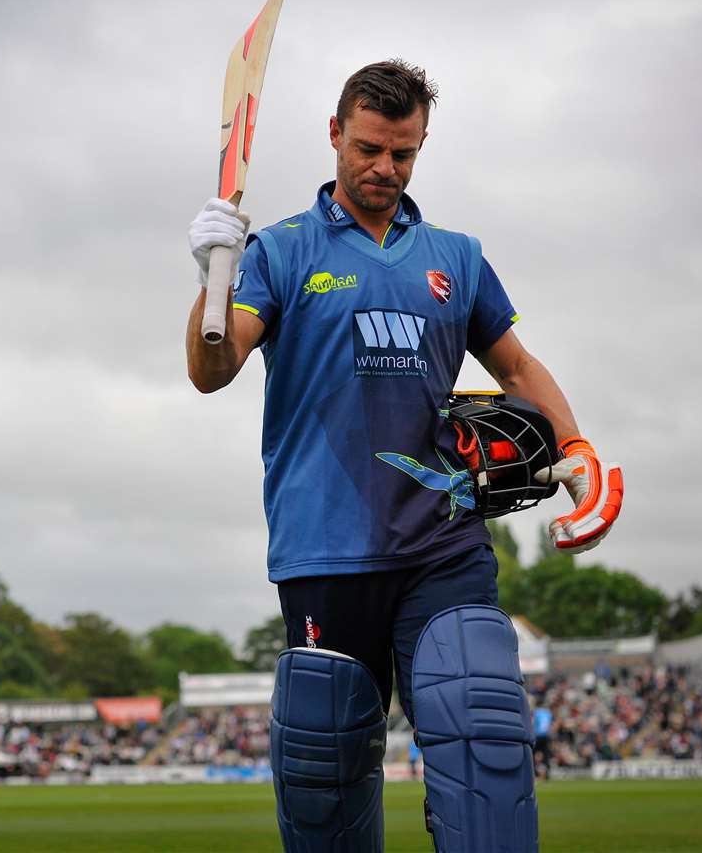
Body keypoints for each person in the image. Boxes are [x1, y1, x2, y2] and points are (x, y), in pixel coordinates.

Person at [185, 60, 624, 853]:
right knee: (326, 787)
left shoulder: (454, 256)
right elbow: (211, 371)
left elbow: (517, 369)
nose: (384, 169)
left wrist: (578, 452)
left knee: (481, 742)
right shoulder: (280, 250)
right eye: (368, 149)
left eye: (404, 153)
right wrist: (211, 280)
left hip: (443, 539)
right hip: (324, 546)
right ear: (334, 135)